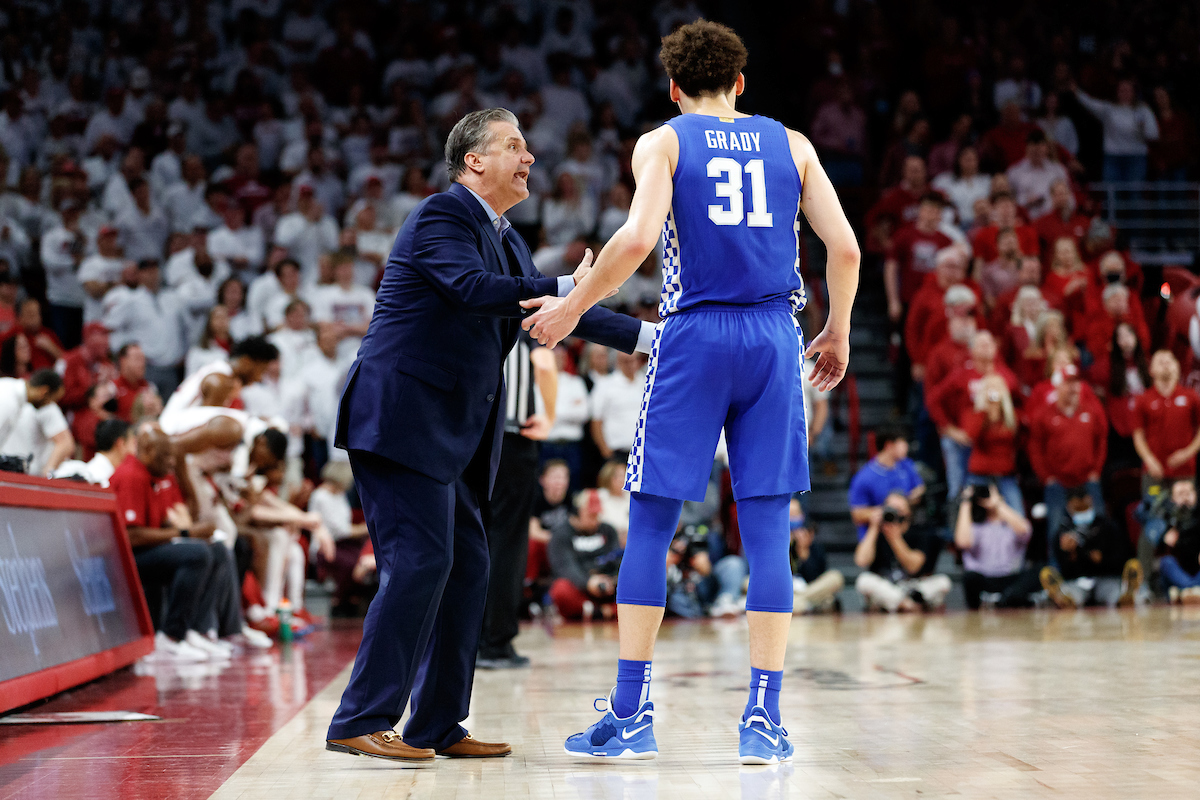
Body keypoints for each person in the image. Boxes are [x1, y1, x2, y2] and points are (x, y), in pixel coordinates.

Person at [522, 21, 860, 765]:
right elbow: (845, 247)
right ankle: (764, 721)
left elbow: (639, 239)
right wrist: (835, 331)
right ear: (742, 83)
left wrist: (573, 308)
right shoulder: (795, 145)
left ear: (674, 88)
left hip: (695, 336)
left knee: (650, 525)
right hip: (775, 336)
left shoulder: (664, 141)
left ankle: (632, 712)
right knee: (768, 528)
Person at [325, 108, 656, 765]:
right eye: (514, 145)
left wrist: (650, 338)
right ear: (474, 160)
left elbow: (556, 311)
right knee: (420, 562)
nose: (529, 156)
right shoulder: (440, 216)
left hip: (452, 433)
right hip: (401, 419)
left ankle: (436, 724)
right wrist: (572, 284)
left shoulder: (505, 238)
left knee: (469, 568)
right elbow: (475, 290)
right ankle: (358, 719)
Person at [477, 336, 557, 670]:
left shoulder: (477, 307)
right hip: (514, 438)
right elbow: (545, 365)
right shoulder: (525, 314)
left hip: (475, 438)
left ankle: (469, 640)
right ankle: (496, 644)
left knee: (476, 538)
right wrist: (549, 417)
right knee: (508, 543)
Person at [1027, 363, 1107, 559]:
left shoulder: (1091, 410)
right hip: (1058, 482)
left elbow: (1101, 439)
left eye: (1076, 383)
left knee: (1097, 526)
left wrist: (1096, 469)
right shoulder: (1044, 414)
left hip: (1087, 479)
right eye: (1068, 383)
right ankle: (1057, 572)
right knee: (1056, 527)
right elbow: (1035, 447)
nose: (1073, 388)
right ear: (1057, 386)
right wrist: (1046, 477)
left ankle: (1098, 570)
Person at [1041, 488, 1139, 608]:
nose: (1081, 511)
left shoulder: (1107, 525)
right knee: (1073, 595)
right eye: (1077, 508)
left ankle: (1126, 594)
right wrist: (1071, 554)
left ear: (1090, 501)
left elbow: (1122, 556)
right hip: (1078, 580)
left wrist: (1103, 559)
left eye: (1083, 507)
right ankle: (1061, 596)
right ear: (1069, 507)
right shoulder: (1063, 532)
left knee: (1114, 594)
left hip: (1106, 577)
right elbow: (1065, 569)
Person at [853, 492, 952, 612]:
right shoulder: (877, 533)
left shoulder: (921, 532)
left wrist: (895, 539)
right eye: (890, 509)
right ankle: (906, 603)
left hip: (913, 586)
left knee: (943, 582)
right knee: (864, 580)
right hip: (887, 586)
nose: (895, 513)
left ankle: (901, 602)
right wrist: (873, 527)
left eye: (899, 509)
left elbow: (914, 567)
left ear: (908, 512)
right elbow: (861, 561)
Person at [953, 484, 1041, 610]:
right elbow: (963, 542)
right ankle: (1003, 602)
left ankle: (1008, 598)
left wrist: (998, 504)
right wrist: (966, 502)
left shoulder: (1011, 523)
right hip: (985, 579)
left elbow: (1025, 531)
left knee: (1039, 570)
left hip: (1011, 578)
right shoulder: (975, 526)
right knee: (969, 577)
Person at [547, 488, 621, 620]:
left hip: (607, 585)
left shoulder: (608, 530)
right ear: (577, 513)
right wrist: (588, 582)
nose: (596, 520)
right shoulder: (560, 535)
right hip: (581, 587)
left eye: (598, 515)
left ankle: (594, 611)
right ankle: (607, 611)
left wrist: (611, 579)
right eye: (591, 515)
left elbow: (616, 560)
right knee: (560, 590)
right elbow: (565, 567)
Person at [1133, 350, 1200, 494]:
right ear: (1151, 370)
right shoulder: (1143, 399)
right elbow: (1138, 436)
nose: (1165, 364)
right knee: (1154, 512)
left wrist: (1188, 453)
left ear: (1177, 366)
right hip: (1154, 471)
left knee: (1182, 513)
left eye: (1169, 360)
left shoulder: (1191, 397)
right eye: (1160, 361)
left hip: (1184, 471)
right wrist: (1149, 460)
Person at [1074, 79, 1160, 183]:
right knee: (1111, 192)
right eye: (1121, 90)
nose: (1125, 93)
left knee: (1135, 193)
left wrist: (1141, 129)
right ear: (1117, 92)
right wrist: (1075, 90)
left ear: (1133, 92)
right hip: (1113, 157)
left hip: (1136, 156)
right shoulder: (1109, 109)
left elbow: (1153, 134)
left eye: (1128, 90)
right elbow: (1090, 103)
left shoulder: (1143, 110)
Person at [848, 424, 926, 538]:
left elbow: (920, 489)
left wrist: (903, 502)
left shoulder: (906, 465)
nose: (906, 446)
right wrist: (888, 509)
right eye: (902, 442)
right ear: (889, 445)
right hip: (878, 537)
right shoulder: (864, 477)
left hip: (905, 534)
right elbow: (856, 514)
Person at [789, 499, 844, 614]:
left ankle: (797, 603)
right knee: (749, 582)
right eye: (789, 515)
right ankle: (803, 604)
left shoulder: (813, 544)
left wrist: (803, 551)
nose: (792, 519)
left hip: (810, 588)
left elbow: (817, 576)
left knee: (835, 577)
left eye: (795, 515)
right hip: (786, 590)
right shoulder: (775, 543)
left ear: (802, 516)